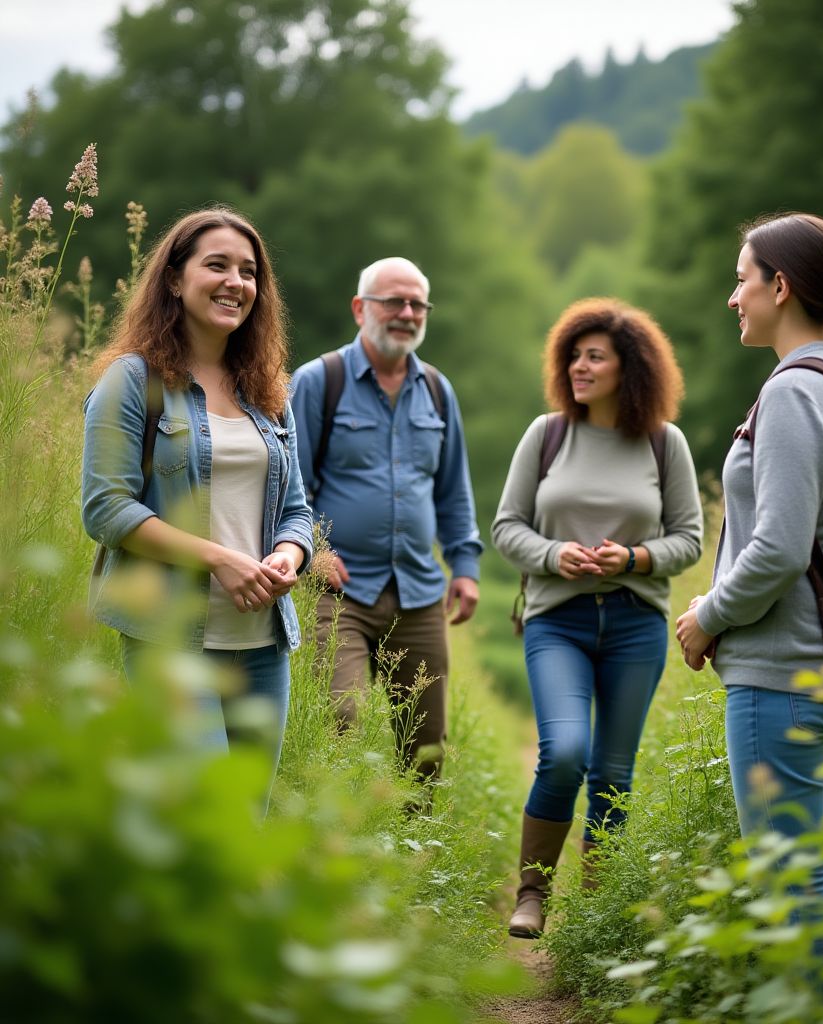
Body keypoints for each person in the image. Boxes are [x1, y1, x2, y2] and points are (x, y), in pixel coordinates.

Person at [675, 212, 823, 962]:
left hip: (784, 674)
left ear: (780, 285)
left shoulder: (797, 393)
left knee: (793, 883)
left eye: (741, 280)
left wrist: (708, 615)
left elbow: (778, 549)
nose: (732, 297)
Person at [82, 207, 314, 812]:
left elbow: (295, 508)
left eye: (248, 270)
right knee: (206, 811)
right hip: (170, 636)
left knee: (246, 823)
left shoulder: (269, 390)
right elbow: (106, 509)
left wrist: (288, 556)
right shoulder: (132, 382)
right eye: (216, 265)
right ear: (175, 279)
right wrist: (220, 560)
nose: (235, 281)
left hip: (262, 641)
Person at [492, 297, 703, 938]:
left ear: (629, 368)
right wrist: (556, 555)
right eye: (574, 356)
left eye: (595, 357)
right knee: (565, 754)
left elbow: (689, 539)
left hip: (637, 625)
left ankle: (596, 912)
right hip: (557, 620)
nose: (579, 367)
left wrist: (635, 556)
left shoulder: (665, 445)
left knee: (613, 772)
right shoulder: (547, 434)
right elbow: (506, 528)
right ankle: (533, 894)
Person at [290, 257, 482, 792]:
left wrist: (464, 567)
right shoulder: (318, 382)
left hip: (419, 592)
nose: (406, 313)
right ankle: (332, 849)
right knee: (338, 723)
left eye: (417, 303)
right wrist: (310, 550)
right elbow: (286, 484)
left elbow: (453, 491)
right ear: (360, 309)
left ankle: (414, 863)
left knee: (424, 746)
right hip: (336, 590)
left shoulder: (438, 392)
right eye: (392, 302)